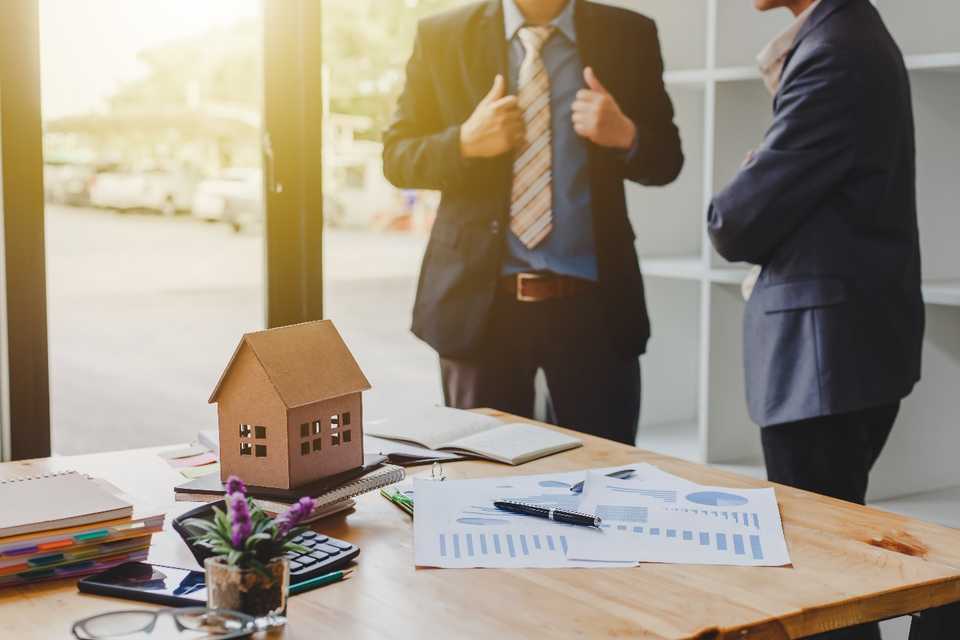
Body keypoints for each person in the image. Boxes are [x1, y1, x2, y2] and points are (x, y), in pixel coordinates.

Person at [708, 2, 923, 637]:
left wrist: (751, 173)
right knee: (832, 576)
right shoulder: (842, 35)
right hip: (838, 353)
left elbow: (735, 221)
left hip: (823, 362)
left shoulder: (837, 51)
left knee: (825, 588)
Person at [383, 0, 682, 444]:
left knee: (603, 482)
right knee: (481, 486)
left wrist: (626, 136)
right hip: (480, 311)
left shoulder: (629, 33)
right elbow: (397, 158)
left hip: (594, 311)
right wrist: (463, 142)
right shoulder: (442, 35)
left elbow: (666, 161)